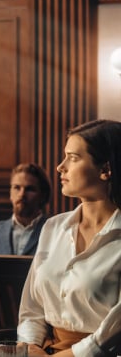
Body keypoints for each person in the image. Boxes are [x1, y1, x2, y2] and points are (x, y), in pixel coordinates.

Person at [18, 119, 121, 356]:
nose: (60, 167)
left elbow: (114, 328)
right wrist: (30, 346)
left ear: (105, 170)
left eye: (73, 158)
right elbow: (31, 308)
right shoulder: (53, 228)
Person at [0, 163, 51, 255]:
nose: (22, 194)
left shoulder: (55, 232)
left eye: (29, 189)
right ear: (10, 193)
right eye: (17, 188)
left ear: (42, 195)